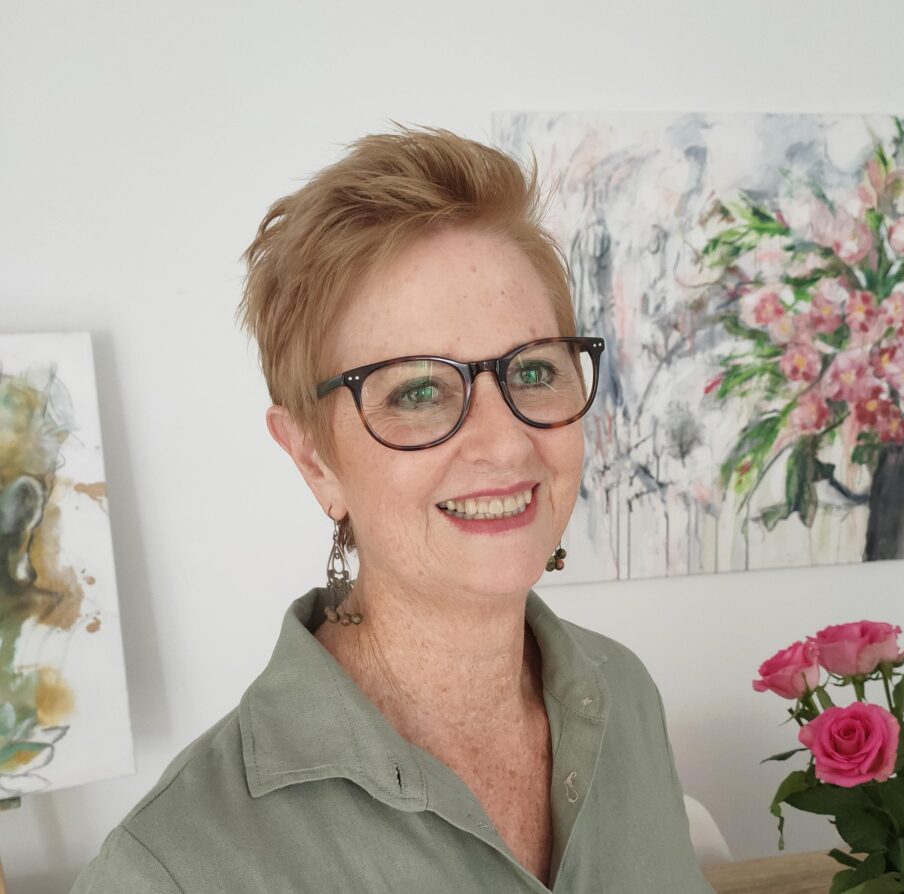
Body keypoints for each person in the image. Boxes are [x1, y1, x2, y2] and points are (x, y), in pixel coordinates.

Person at [71, 126, 714, 893]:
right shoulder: (173, 867)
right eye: (418, 391)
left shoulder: (624, 694)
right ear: (314, 457)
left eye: (535, 369)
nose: (505, 444)